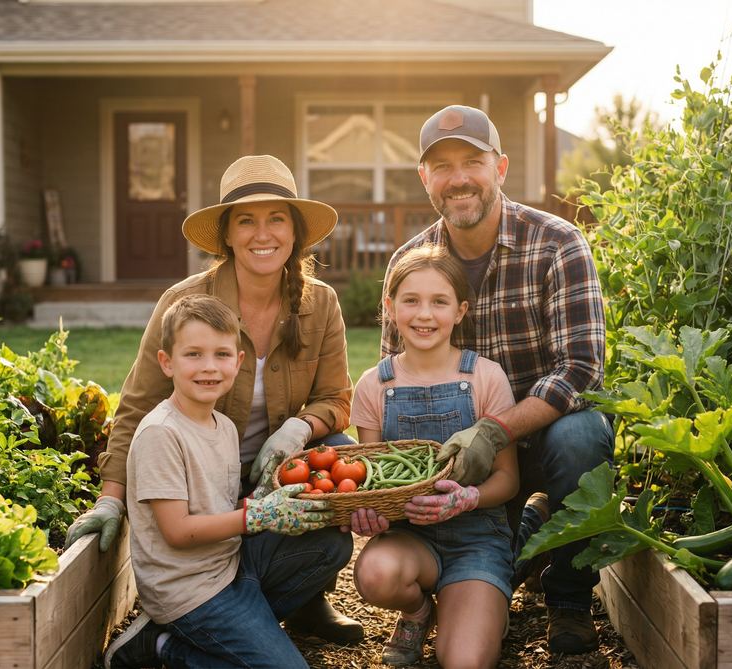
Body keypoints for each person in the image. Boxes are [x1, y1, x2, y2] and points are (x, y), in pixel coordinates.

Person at [66, 154, 363, 649]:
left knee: (335, 472)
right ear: (226, 234)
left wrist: (300, 428)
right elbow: (138, 406)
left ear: (295, 233)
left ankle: (303, 601)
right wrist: (110, 497)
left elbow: (335, 397)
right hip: (204, 479)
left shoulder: (321, 303)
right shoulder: (187, 302)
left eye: (276, 219)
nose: (261, 233)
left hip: (277, 468)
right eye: (246, 220)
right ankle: (198, 626)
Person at [380, 105, 613, 655]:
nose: (458, 178)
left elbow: (581, 368)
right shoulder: (411, 263)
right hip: (457, 460)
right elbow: (395, 382)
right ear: (425, 178)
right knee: (482, 558)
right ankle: (512, 547)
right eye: (442, 166)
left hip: (540, 437)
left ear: (501, 167)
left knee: (581, 437)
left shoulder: (556, 243)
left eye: (472, 161)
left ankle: (569, 598)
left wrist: (493, 431)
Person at [105, 294, 337, 669]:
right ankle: (166, 645)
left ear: (239, 362)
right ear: (166, 362)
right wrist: (257, 516)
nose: (209, 367)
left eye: (222, 355)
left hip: (229, 565)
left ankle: (228, 630)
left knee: (330, 543)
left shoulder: (225, 426)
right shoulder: (161, 434)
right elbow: (177, 532)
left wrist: (266, 496)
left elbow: (221, 505)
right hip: (187, 590)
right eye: (193, 354)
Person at [349, 246, 518, 667]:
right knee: (375, 574)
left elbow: (508, 479)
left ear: (460, 311)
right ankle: (418, 613)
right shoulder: (374, 385)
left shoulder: (484, 376)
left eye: (439, 302)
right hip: (411, 538)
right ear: (390, 307)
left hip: (476, 537)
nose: (424, 315)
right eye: (411, 301)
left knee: (464, 661)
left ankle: (485, 605)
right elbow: (374, 481)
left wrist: (468, 498)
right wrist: (372, 516)